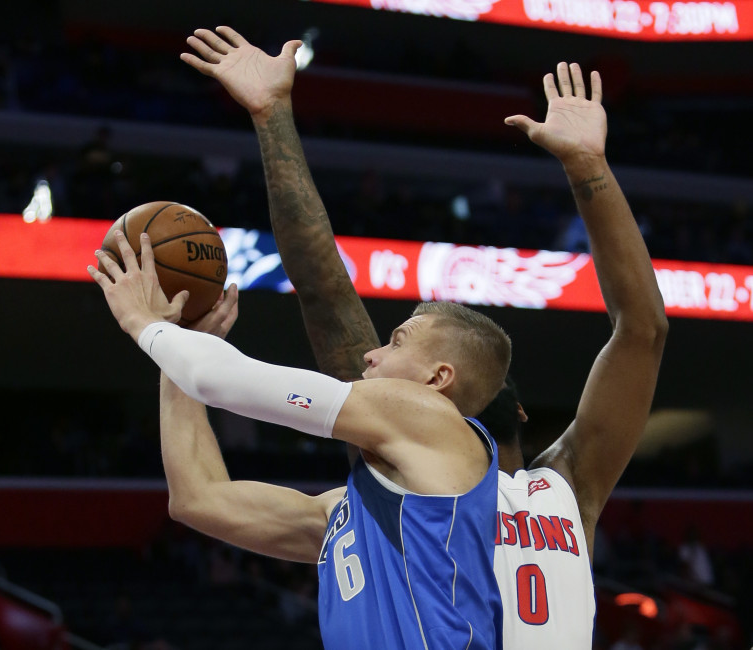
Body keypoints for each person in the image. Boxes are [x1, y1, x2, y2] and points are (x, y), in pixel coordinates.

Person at [181, 26, 667, 648]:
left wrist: (590, 169)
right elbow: (323, 287)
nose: (374, 358)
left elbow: (643, 331)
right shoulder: (391, 471)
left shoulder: (566, 484)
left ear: (512, 408)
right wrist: (271, 117)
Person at [88, 241, 510, 647]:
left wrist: (143, 321)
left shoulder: (433, 416)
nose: (371, 354)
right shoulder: (356, 513)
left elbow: (215, 379)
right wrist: (174, 356)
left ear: (437, 379)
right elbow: (197, 499)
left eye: (396, 342)